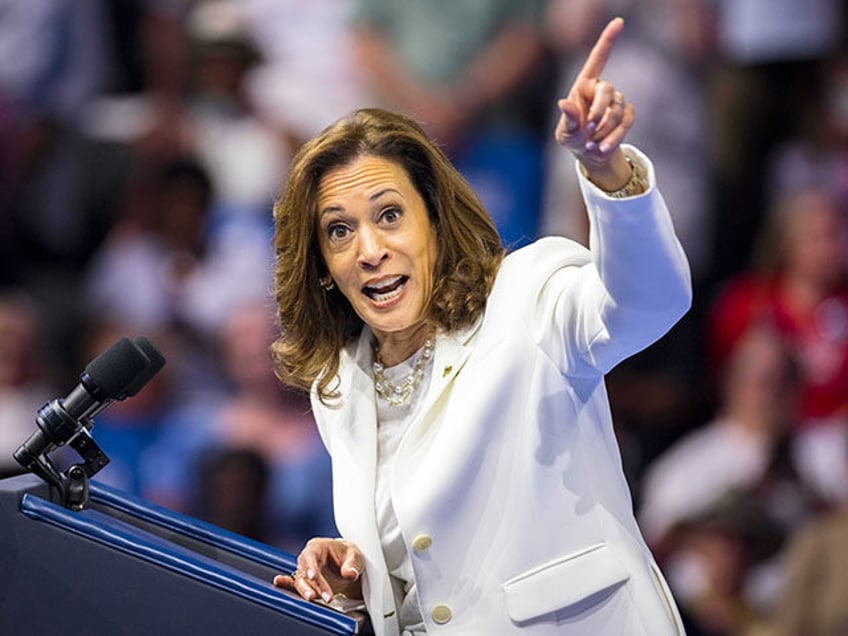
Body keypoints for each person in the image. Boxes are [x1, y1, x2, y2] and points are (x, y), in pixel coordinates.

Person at [270, 18, 691, 635]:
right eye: (339, 230)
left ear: (436, 222)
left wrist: (607, 172)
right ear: (323, 264)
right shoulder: (338, 386)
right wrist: (361, 583)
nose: (369, 249)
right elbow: (431, 562)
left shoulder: (527, 295)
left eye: (390, 215)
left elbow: (650, 302)